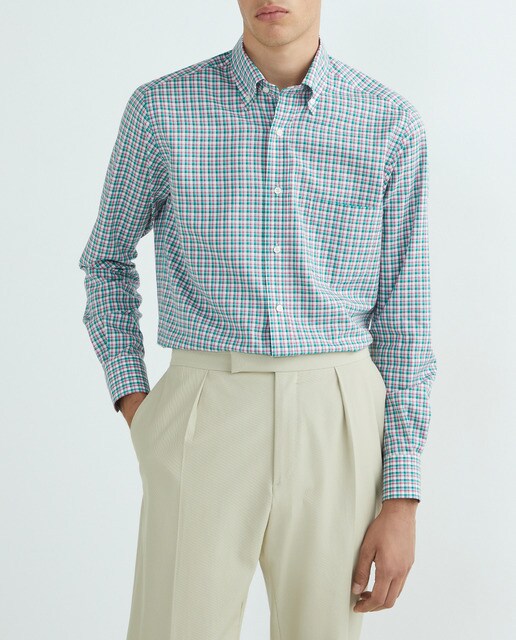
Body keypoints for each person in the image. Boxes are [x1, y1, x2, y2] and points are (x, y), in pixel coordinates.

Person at [78, 1, 437, 638]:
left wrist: (402, 496)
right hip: (204, 407)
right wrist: (137, 403)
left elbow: (404, 315)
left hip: (338, 415)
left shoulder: (389, 123)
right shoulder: (162, 109)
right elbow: (106, 260)